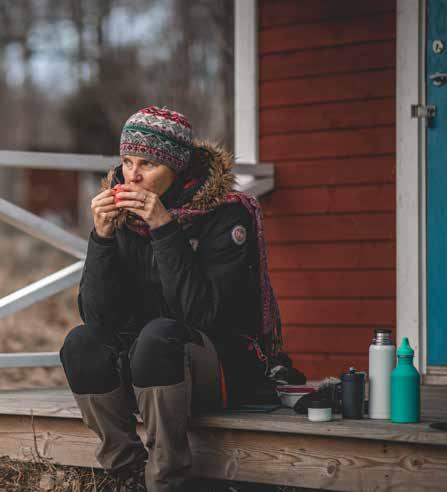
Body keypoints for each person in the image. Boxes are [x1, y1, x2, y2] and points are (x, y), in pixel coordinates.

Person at [60, 105, 282, 491]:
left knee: (159, 336)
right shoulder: (123, 216)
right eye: (127, 161)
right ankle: (125, 473)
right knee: (81, 342)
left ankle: (165, 481)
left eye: (147, 163)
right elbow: (98, 316)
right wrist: (102, 239)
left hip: (216, 365)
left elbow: (203, 315)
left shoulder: (225, 215)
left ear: (176, 166)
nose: (133, 175)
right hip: (144, 369)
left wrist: (164, 227)